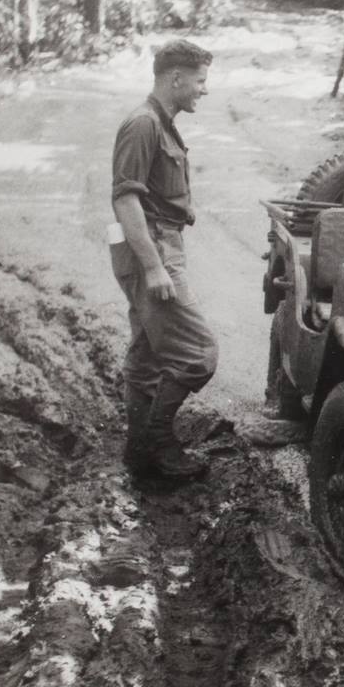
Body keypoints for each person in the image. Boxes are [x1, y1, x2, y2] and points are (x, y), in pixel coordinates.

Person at [110, 39, 220, 481]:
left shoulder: (160, 122)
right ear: (175, 78)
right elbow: (125, 200)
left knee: (147, 356)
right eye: (199, 81)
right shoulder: (143, 124)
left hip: (159, 243)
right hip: (150, 249)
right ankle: (157, 442)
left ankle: (139, 456)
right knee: (198, 353)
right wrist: (155, 267)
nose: (204, 90)